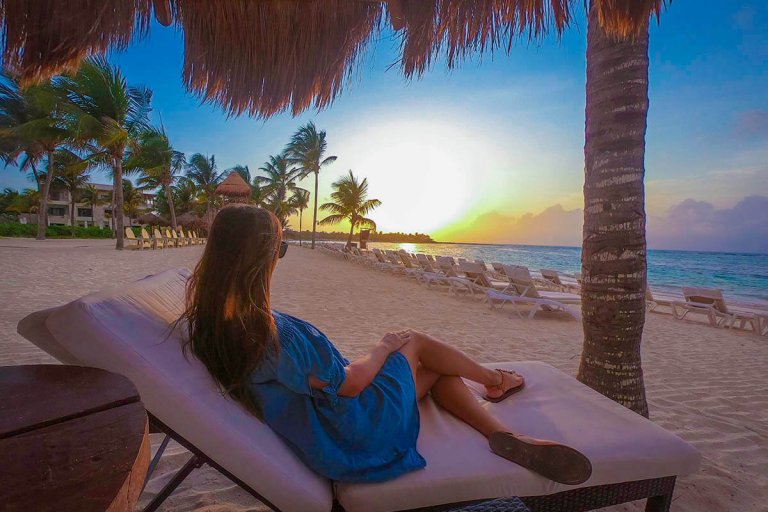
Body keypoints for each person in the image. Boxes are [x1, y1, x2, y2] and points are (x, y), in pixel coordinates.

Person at [180, 205, 591, 484]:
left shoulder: (211, 326)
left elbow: (320, 381)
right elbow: (350, 385)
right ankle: (496, 380)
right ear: (261, 258)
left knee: (434, 370)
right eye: (281, 249)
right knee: (412, 340)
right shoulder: (272, 335)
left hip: (325, 427)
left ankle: (502, 434)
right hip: (352, 434)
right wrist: (382, 346)